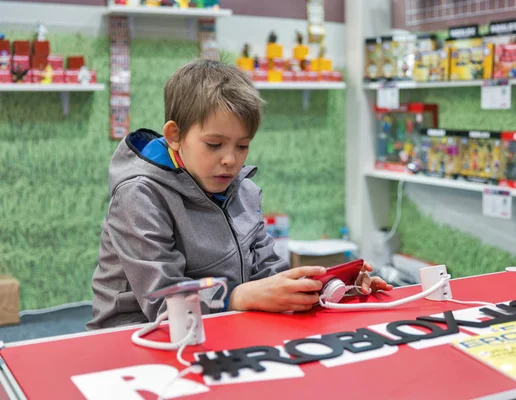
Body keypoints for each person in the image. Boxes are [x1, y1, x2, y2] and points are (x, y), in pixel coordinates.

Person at [87, 59, 392, 330]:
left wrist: (331, 286)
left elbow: (270, 271)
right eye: (214, 144)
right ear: (175, 136)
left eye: (242, 146)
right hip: (133, 340)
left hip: (223, 327)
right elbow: (164, 303)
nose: (231, 160)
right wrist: (239, 295)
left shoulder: (241, 189)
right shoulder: (139, 196)